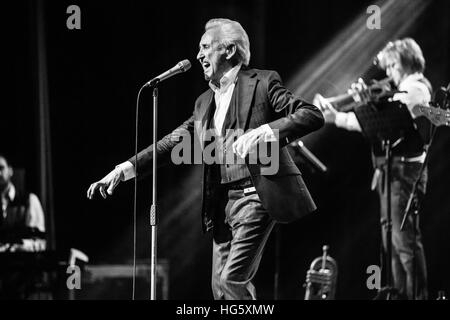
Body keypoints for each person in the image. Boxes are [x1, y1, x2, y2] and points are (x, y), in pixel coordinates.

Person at [87, 18, 324, 300]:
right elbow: (170, 143)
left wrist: (266, 131)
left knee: (231, 281)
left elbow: (311, 114)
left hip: (256, 195)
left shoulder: (262, 81)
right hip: (222, 204)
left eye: (206, 47)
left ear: (230, 50)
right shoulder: (203, 103)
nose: (198, 55)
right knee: (220, 291)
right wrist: (124, 168)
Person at [315, 38, 431, 300]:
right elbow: (375, 122)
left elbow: (386, 118)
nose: (388, 73)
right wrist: (344, 111)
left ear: (402, 62)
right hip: (392, 172)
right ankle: (401, 295)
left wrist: (348, 109)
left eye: (391, 66)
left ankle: (417, 296)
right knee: (393, 243)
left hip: (405, 174)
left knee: (405, 243)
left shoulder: (416, 90)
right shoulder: (402, 88)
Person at [0, 154, 46, 252]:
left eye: (1, 168)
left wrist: (15, 248)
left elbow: (39, 241)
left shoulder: (29, 200)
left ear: (10, 171)